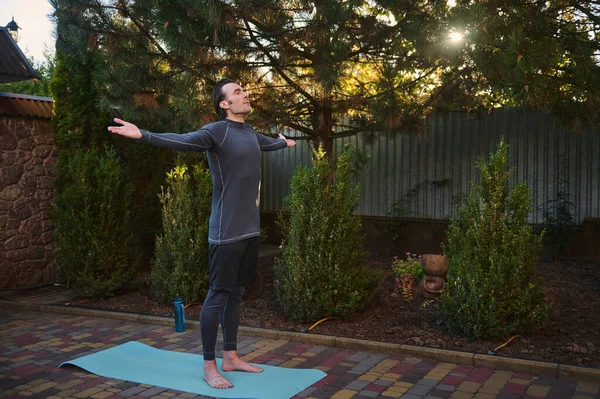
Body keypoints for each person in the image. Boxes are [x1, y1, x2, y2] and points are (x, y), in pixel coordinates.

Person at [108, 78, 296, 389]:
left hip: (249, 229)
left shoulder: (248, 132)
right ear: (224, 104)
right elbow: (182, 140)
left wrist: (283, 143)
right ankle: (209, 365)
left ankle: (231, 356)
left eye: (243, 90)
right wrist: (143, 135)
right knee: (218, 296)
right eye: (237, 92)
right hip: (225, 232)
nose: (245, 94)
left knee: (236, 294)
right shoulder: (215, 132)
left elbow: (265, 143)